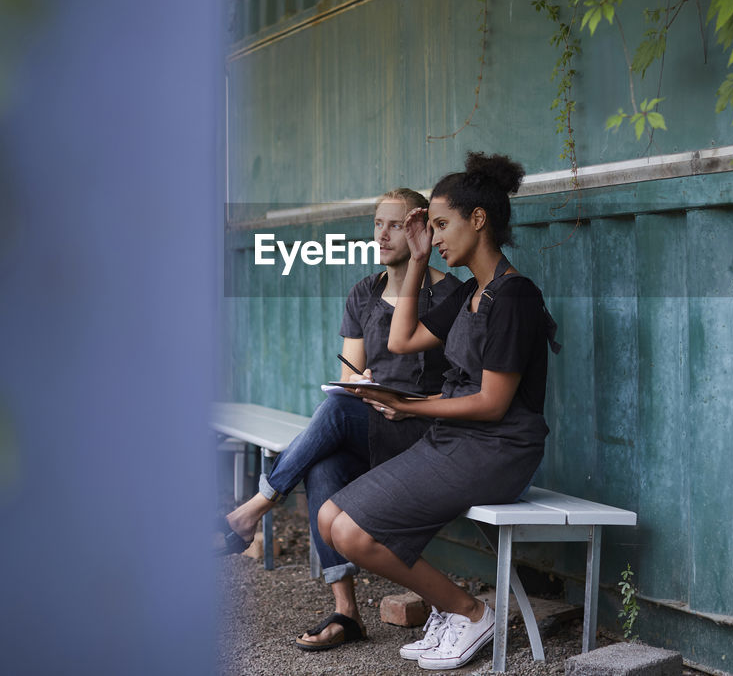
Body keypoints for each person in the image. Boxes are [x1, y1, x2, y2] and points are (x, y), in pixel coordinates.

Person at [319, 152, 559, 671]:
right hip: (454, 440)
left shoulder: (514, 298)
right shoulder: (471, 293)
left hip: (499, 449)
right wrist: (420, 260)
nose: (437, 235)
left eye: (442, 225)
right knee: (328, 517)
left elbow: (494, 404)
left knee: (353, 533)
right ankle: (457, 611)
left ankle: (470, 612)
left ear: (479, 220)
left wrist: (410, 405)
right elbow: (402, 339)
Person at [218, 188, 462, 651]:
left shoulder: (447, 294)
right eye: (378, 224)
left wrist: (384, 397)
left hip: (421, 433)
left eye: (396, 225)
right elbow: (348, 377)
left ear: (420, 231)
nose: (384, 234)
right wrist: (361, 382)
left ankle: (255, 508)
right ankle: (346, 613)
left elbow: (459, 380)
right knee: (322, 463)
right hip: (371, 424)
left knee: (333, 411)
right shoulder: (364, 293)